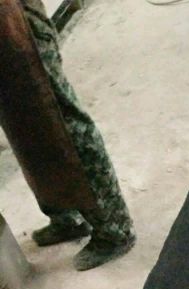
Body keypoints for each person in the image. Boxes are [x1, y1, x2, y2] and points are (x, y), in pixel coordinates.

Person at [21, 0, 136, 270]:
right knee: (27, 129)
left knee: (62, 121)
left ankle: (114, 229)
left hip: (14, 20)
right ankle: (66, 215)